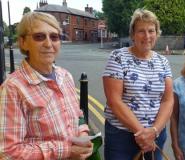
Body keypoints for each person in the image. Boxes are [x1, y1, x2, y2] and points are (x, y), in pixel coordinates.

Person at [0, 12, 93, 159]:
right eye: (39, 37)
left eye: (54, 37)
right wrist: (66, 150)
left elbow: (77, 115)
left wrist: (83, 133)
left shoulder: (65, 76)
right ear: (23, 42)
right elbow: (8, 153)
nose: (48, 44)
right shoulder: (13, 88)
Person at [102, 9, 173, 160]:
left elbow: (168, 100)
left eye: (151, 31)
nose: (147, 36)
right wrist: (142, 134)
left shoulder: (163, 61)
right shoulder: (118, 57)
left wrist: (154, 131)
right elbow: (114, 101)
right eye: (141, 31)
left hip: (156, 135)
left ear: (157, 33)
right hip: (122, 137)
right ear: (133, 34)